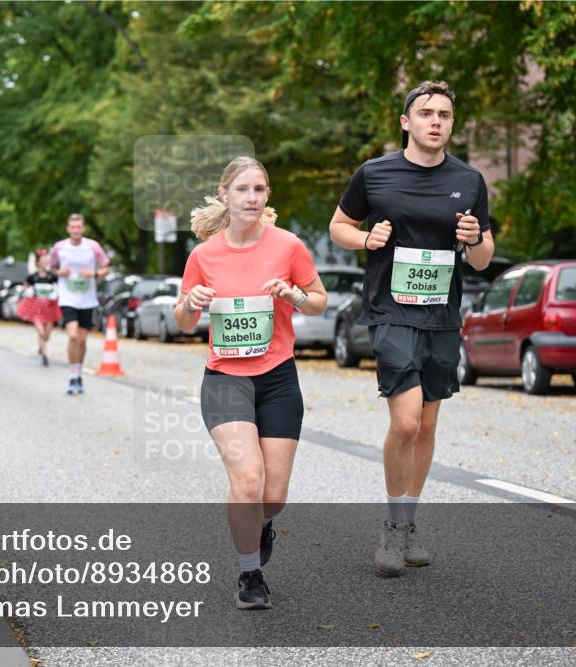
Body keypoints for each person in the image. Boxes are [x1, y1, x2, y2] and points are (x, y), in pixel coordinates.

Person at [328, 80, 495, 577]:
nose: (436, 121)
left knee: (426, 425)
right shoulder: (375, 173)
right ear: (406, 122)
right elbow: (339, 226)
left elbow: (483, 259)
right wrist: (366, 237)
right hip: (390, 308)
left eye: (444, 113)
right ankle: (392, 527)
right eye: (426, 112)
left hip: (442, 314)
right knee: (404, 422)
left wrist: (474, 237)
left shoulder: (469, 180)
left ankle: (409, 520)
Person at [174, 156, 327, 610]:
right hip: (225, 381)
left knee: (273, 496)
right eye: (243, 189)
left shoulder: (288, 246)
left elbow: (318, 302)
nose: (252, 198)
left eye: (259, 190)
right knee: (248, 481)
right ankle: (249, 575)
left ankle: (261, 525)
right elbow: (183, 322)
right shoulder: (204, 255)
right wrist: (192, 300)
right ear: (224, 194)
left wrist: (293, 295)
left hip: (278, 378)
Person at [50, 214, 109, 395]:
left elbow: (105, 266)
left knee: (82, 340)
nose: (76, 230)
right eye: (72, 227)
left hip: (87, 299)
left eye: (79, 227)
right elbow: (51, 268)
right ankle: (72, 376)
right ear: (68, 229)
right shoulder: (60, 247)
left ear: (83, 229)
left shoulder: (93, 246)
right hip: (67, 298)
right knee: (73, 336)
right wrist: (59, 272)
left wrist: (94, 274)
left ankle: (79, 372)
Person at [17, 248, 63, 367]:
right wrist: (28, 291)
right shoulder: (32, 277)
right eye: (43, 261)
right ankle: (44, 356)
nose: (45, 263)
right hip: (36, 307)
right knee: (41, 332)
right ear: (38, 263)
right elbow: (25, 287)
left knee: (47, 334)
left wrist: (56, 293)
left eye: (47, 260)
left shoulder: (52, 277)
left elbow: (59, 287)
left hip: (49, 307)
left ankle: (41, 345)